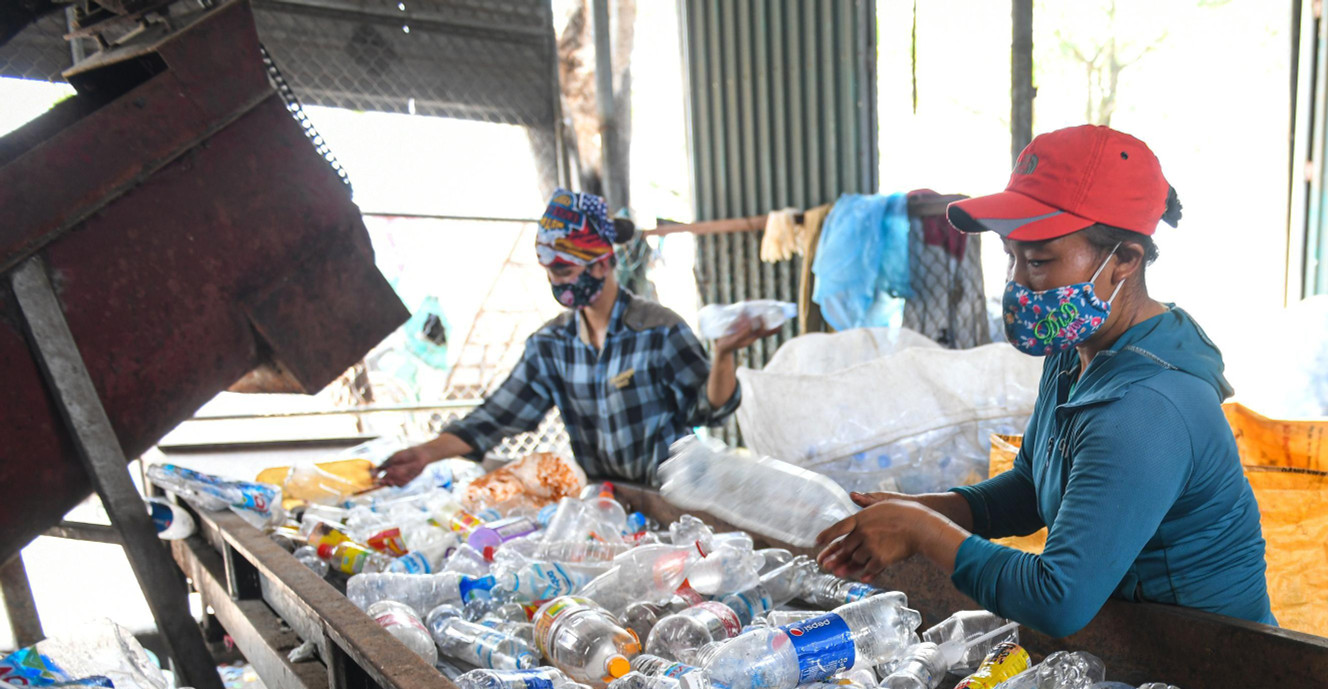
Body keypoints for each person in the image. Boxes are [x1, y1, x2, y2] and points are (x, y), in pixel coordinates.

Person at [813, 125, 1271, 639]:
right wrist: (929, 508)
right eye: (1011, 257)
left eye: (1038, 261)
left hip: (1216, 675)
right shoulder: (1076, 351)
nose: (1017, 284)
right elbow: (1033, 486)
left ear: (1124, 260)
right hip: (1139, 650)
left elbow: (1059, 598)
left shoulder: (1147, 406)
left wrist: (924, 533)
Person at [375, 189, 767, 486]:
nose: (555, 281)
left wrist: (724, 356)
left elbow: (710, 408)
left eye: (563, 271)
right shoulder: (552, 346)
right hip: (606, 499)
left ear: (600, 263)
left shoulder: (658, 330)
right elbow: (497, 416)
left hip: (673, 493)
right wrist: (425, 454)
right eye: (549, 271)